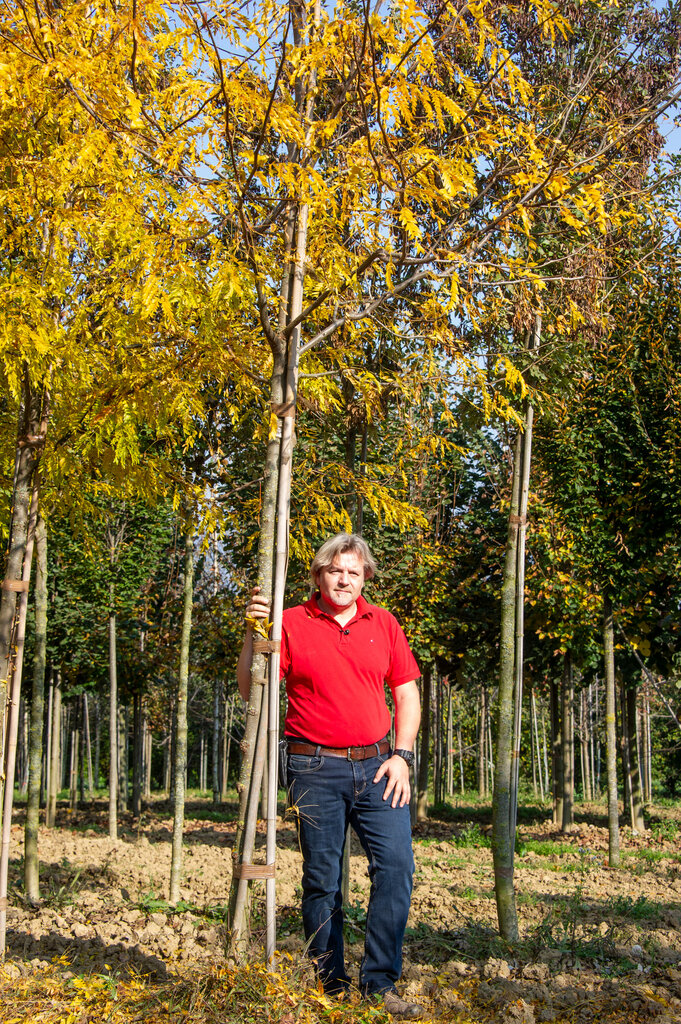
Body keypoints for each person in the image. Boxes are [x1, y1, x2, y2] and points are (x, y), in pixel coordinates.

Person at [237, 533, 424, 1019]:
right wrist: (254, 635)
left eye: (354, 572)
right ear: (318, 575)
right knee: (322, 880)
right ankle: (331, 984)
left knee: (397, 869)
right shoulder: (291, 623)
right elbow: (249, 690)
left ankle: (379, 981)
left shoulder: (382, 623)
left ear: (365, 579)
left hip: (380, 766)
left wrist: (402, 755)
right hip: (312, 766)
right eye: (336, 570)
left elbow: (406, 695)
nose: (345, 579)